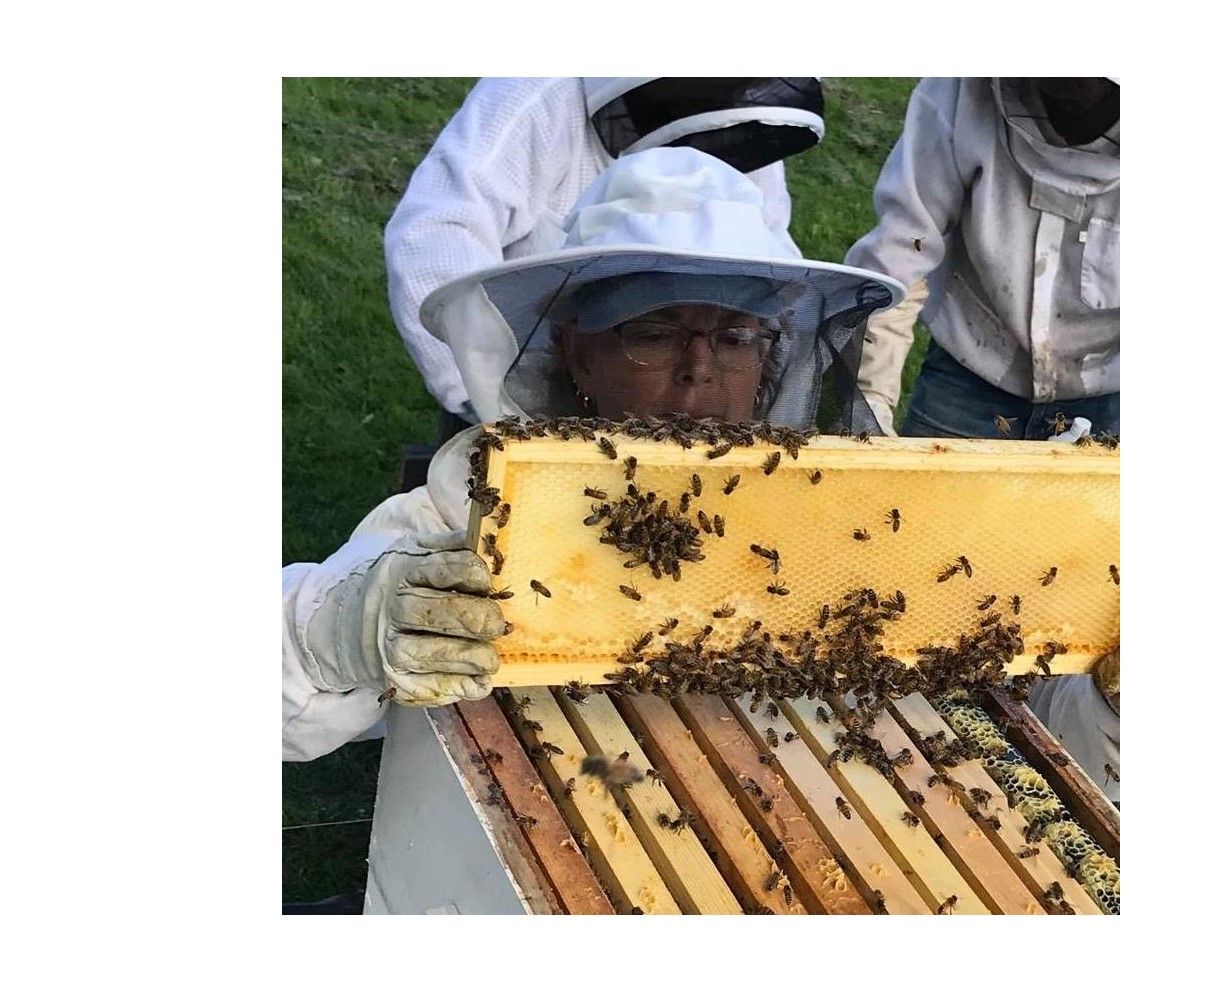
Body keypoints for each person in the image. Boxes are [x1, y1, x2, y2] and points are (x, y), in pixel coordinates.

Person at [284, 146, 902, 764]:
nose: (699, 370)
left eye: (735, 337)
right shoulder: (471, 507)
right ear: (580, 355)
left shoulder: (812, 508)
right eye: (654, 335)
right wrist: (341, 630)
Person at [385, 77, 826, 436]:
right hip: (560, 358)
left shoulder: (743, 126)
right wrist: (492, 394)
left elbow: (770, 267)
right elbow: (436, 233)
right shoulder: (534, 91)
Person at [844, 77, 1119, 442]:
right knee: (922, 501)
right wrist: (870, 405)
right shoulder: (956, 93)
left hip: (1110, 392)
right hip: (969, 373)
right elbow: (897, 257)